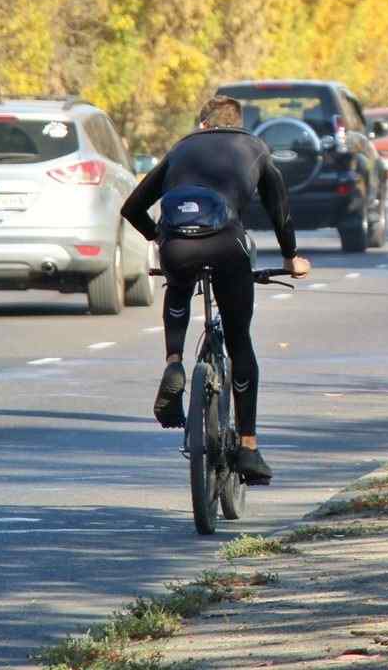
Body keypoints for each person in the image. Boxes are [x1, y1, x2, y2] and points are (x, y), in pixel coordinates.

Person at [121, 95, 311, 485]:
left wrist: (162, 238)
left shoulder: (182, 147)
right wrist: (291, 256)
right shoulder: (255, 147)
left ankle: (174, 361)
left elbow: (133, 207)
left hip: (177, 244)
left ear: (203, 124)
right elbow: (280, 207)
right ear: (240, 124)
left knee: (177, 286)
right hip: (227, 244)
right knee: (240, 339)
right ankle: (248, 446)